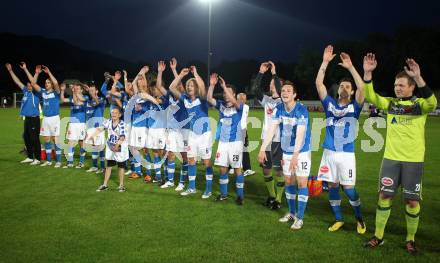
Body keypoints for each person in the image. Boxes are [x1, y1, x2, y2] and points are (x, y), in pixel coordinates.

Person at [362, 54, 437, 254]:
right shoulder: (391, 104)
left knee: (412, 201)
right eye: (396, 85)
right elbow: (371, 96)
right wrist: (368, 74)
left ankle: (410, 239)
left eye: (402, 85)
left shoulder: (420, 105)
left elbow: (433, 103)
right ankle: (378, 236)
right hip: (390, 160)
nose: (397, 88)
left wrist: (420, 77)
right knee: (384, 196)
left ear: (412, 87)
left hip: (413, 161)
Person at [315, 45, 366, 234]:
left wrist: (351, 68)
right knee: (333, 187)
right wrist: (325, 62)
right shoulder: (329, 104)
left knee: (349, 188)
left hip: (346, 154)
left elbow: (363, 87)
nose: (345, 88)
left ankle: (359, 218)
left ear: (352, 92)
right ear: (337, 90)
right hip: (329, 152)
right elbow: (319, 84)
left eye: (348, 87)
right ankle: (339, 219)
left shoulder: (355, 107)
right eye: (342, 86)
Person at [258, 82, 312, 230]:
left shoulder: (301, 110)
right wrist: (263, 149)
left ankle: (300, 218)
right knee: (288, 181)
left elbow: (300, 134)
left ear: (294, 95)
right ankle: (292, 213)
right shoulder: (279, 109)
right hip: (287, 150)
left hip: (301, 151)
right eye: (283, 90)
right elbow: (271, 129)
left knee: (301, 183)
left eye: (289, 90)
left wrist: (296, 155)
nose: (285, 92)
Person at [169, 66, 213, 197]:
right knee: (191, 160)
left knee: (206, 162)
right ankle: (191, 187)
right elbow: (171, 88)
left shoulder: (202, 99)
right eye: (188, 86)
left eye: (192, 86)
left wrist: (196, 74)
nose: (189, 88)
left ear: (196, 88)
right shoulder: (185, 100)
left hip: (204, 134)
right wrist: (181, 75)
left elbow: (203, 88)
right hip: (192, 134)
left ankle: (208, 189)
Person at [208, 74, 245, 204]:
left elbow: (235, 102)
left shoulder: (240, 106)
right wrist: (212, 85)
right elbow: (209, 99)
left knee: (237, 169)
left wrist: (224, 86)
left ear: (234, 94)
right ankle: (223, 194)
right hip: (223, 143)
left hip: (235, 143)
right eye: (224, 92)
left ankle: (240, 196)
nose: (225, 94)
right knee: (222, 169)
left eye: (228, 92)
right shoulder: (221, 105)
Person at [251, 61, 284, 210]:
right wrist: (261, 72)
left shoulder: (284, 102)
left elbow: (278, 86)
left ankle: (279, 198)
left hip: (278, 141)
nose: (271, 86)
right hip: (266, 140)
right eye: (270, 84)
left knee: (278, 171)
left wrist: (274, 73)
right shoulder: (267, 100)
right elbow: (255, 89)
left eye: (273, 84)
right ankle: (271, 195)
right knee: (266, 169)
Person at [22, 64, 62, 168]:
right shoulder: (43, 92)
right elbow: (33, 83)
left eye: (48, 83)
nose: (47, 84)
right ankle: (48, 160)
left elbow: (56, 83)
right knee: (47, 140)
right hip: (46, 119)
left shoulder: (56, 93)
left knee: (55, 140)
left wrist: (49, 73)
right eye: (46, 83)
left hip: (54, 119)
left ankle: (58, 161)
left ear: (51, 85)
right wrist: (37, 73)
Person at [6, 63, 41, 165]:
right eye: (28, 85)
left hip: (34, 119)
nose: (29, 86)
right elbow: (17, 81)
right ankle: (30, 157)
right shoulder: (26, 91)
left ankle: (37, 159)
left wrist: (34, 73)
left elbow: (34, 82)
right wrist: (10, 71)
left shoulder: (36, 93)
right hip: (27, 119)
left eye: (30, 85)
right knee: (26, 137)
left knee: (34, 139)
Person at [88, 108, 129, 192]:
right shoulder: (108, 121)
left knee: (121, 165)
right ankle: (105, 185)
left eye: (115, 113)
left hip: (120, 147)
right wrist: (93, 135)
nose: (113, 114)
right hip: (111, 146)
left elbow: (122, 137)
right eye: (112, 112)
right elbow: (101, 128)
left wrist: (117, 145)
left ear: (119, 115)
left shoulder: (122, 124)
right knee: (109, 165)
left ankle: (121, 185)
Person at [60, 81, 87, 168]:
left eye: (78, 88)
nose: (76, 89)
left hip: (81, 124)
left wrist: (74, 91)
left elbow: (77, 102)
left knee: (81, 142)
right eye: (75, 88)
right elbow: (63, 100)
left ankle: (81, 162)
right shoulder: (72, 97)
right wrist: (62, 90)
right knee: (70, 142)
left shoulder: (85, 98)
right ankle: (70, 162)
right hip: (72, 124)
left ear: (82, 90)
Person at [84, 82, 106, 173]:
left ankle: (102, 167)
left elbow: (96, 102)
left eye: (93, 90)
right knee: (93, 146)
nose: (91, 92)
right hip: (90, 127)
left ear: (96, 91)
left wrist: (89, 91)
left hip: (98, 127)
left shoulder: (101, 100)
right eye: (90, 90)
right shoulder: (88, 101)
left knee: (100, 146)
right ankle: (94, 166)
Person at [237, 92, 255, 177]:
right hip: (235, 131)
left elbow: (244, 120)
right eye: (240, 99)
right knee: (233, 149)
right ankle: (232, 167)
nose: (242, 100)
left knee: (244, 150)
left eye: (244, 99)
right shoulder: (234, 107)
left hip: (243, 131)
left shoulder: (246, 107)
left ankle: (247, 169)